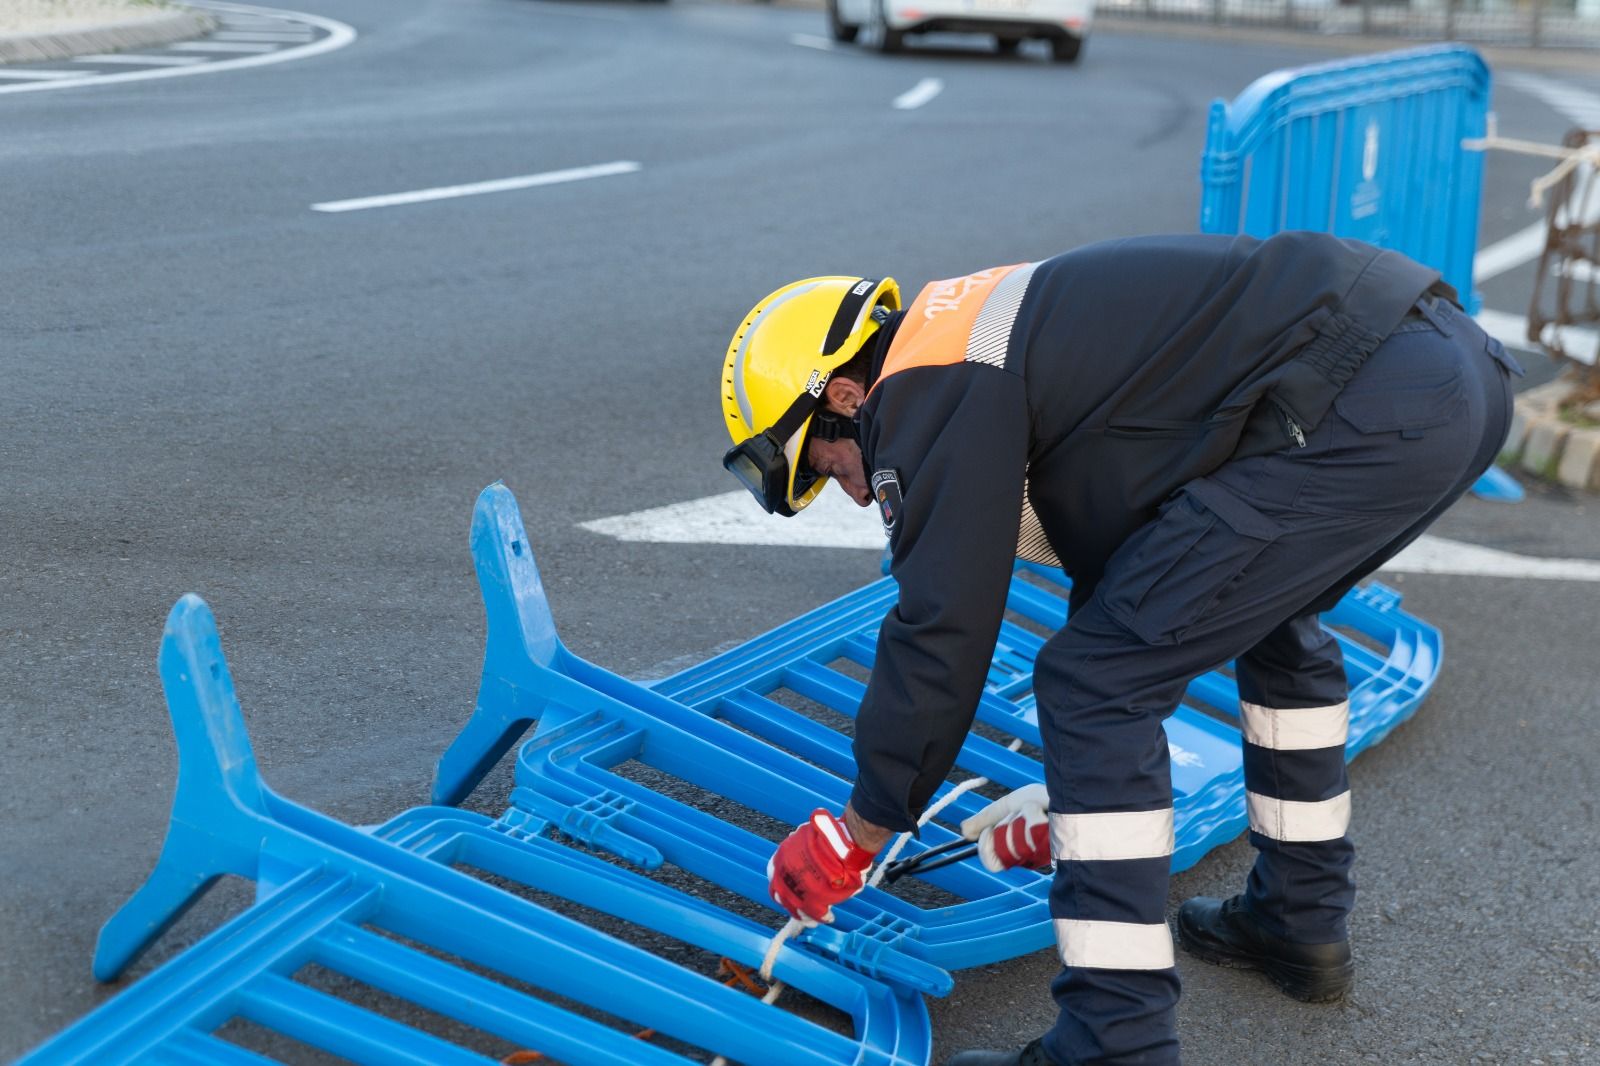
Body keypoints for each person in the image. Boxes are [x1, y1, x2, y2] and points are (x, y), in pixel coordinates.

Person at [719, 233, 1520, 1066]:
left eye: (828, 464)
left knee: (1090, 685)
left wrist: (862, 828)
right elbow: (1139, 579)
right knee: (1271, 627)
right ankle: (1298, 919)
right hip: (1449, 377)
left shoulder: (926, 385)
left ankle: (1115, 1042)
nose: (855, 492)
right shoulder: (979, 337)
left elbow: (941, 627)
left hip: (1364, 402)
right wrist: (1078, 804)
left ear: (845, 395)